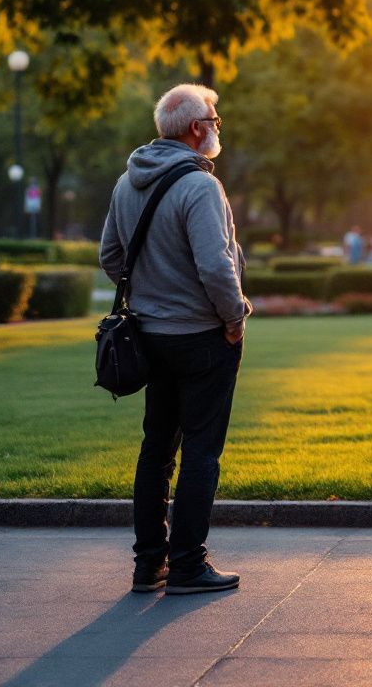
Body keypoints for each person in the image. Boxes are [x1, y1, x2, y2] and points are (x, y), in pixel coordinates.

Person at [100, 84, 251, 596]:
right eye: (215, 119)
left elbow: (110, 256)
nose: (216, 126)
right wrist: (234, 317)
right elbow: (215, 265)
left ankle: (150, 565)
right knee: (202, 453)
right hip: (202, 337)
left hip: (149, 336)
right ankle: (188, 564)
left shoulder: (127, 182)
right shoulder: (200, 187)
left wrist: (150, 292)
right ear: (196, 128)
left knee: (156, 449)